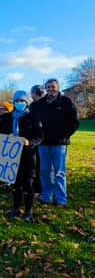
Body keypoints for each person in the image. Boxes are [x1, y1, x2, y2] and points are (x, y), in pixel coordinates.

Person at [0, 91, 43, 221]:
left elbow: (40, 136)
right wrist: (8, 136)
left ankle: (28, 211)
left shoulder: (34, 116)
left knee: (28, 184)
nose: (19, 103)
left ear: (27, 102)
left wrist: (29, 142)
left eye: (22, 101)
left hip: (28, 155)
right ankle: (16, 208)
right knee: (16, 184)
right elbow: (0, 133)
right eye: (17, 101)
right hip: (11, 156)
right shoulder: (7, 117)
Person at [33, 78, 79, 206]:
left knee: (59, 172)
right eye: (48, 87)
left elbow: (74, 122)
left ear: (58, 87)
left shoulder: (66, 102)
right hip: (43, 143)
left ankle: (61, 199)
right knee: (44, 171)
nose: (50, 89)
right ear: (45, 89)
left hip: (59, 144)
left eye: (52, 87)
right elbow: (30, 115)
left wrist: (64, 135)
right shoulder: (40, 103)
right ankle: (46, 196)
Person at [29, 84, 45, 196]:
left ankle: (39, 189)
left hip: (39, 138)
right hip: (38, 138)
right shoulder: (34, 105)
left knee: (39, 166)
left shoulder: (35, 105)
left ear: (34, 93)